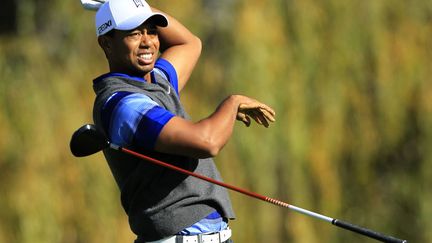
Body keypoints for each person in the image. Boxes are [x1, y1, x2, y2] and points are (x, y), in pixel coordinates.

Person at [91, 0, 276, 242]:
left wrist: (126, 5)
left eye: (152, 31)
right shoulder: (124, 104)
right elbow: (207, 142)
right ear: (106, 43)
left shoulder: (156, 82)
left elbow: (189, 43)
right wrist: (232, 102)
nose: (148, 41)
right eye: (134, 33)